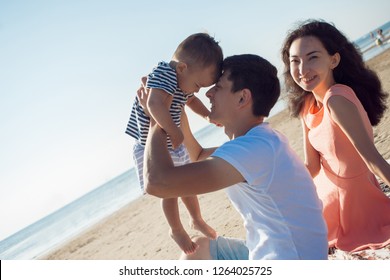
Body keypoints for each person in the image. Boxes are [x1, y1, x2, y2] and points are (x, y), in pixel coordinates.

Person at [143, 54, 328, 260]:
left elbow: (156, 183)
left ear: (242, 98)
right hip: (281, 250)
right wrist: (171, 111)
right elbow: (197, 154)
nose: (209, 93)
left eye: (218, 87)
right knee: (198, 248)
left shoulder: (254, 150)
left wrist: (155, 119)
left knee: (193, 257)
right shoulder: (260, 141)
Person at [281, 19, 390, 253]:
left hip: (356, 203)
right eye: (295, 61)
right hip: (324, 200)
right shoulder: (306, 104)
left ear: (334, 60)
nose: (302, 70)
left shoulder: (336, 99)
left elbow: (373, 160)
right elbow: (312, 167)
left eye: (313, 57)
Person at [125, 33, 223, 254]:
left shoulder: (182, 81)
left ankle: (196, 219)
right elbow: (154, 104)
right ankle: (176, 229)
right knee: (170, 190)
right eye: (198, 84)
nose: (196, 90)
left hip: (171, 142)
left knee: (186, 182)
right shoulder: (164, 74)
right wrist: (173, 130)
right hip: (152, 146)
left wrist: (208, 116)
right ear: (182, 68)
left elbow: (192, 101)